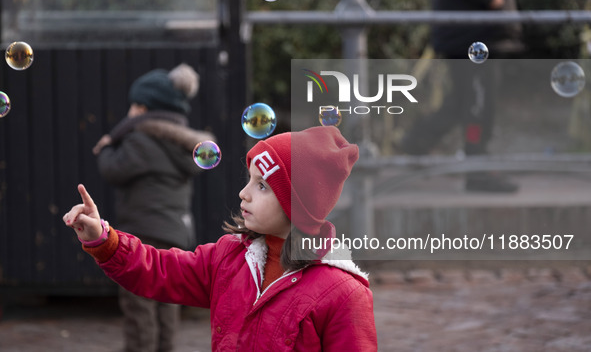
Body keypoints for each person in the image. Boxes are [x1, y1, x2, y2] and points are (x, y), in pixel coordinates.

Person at [64, 126, 378, 351]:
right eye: (249, 180)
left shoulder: (344, 294)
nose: (244, 193)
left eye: (262, 186)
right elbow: (160, 270)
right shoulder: (228, 257)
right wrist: (104, 239)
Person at [92, 63, 215, 352]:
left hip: (142, 230)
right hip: (175, 232)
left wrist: (107, 147)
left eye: (135, 105)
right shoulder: (184, 146)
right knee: (167, 298)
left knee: (138, 299)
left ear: (146, 109)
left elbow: (113, 169)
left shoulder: (140, 140)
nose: (131, 111)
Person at [400, 0, 524, 192]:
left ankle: (419, 140)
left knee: (464, 100)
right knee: (478, 104)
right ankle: (478, 170)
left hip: (475, 32)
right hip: (473, 34)